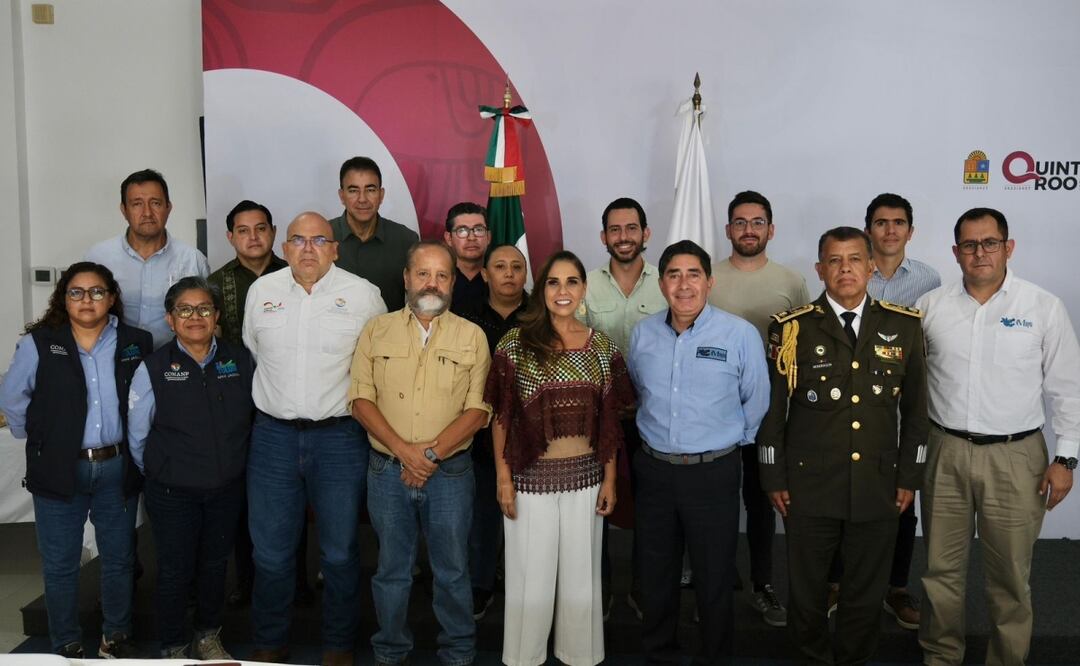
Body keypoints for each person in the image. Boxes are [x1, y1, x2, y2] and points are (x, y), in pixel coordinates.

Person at [756, 226, 928, 665]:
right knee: (808, 595)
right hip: (809, 487)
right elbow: (772, 414)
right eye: (834, 260)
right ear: (819, 269)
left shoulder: (903, 326)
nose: (845, 268)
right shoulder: (791, 330)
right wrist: (773, 475)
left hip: (877, 485)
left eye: (854, 259)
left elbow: (916, 413)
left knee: (865, 596)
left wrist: (909, 476)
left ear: (872, 267)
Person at [917, 207, 1080, 665]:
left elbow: (1068, 389)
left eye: (990, 242)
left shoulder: (1042, 307)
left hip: (1018, 455)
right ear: (955, 252)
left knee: (1009, 575)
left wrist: (1066, 460)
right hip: (944, 450)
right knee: (939, 571)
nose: (980, 252)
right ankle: (940, 656)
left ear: (1009, 247)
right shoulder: (930, 308)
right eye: (969, 244)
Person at [243, 212, 386, 665]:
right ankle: (270, 643)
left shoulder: (363, 295)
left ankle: (338, 646)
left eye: (319, 239)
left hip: (339, 440)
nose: (308, 249)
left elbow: (377, 366)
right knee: (269, 552)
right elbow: (253, 350)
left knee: (341, 552)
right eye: (298, 240)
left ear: (335, 247)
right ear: (284, 248)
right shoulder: (261, 292)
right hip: (272, 439)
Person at [484, 250, 634, 666]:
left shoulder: (601, 347)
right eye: (553, 282)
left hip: (586, 481)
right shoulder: (515, 344)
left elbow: (609, 424)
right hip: (529, 482)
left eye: (572, 282)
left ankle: (579, 657)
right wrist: (503, 477)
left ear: (584, 289)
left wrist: (609, 480)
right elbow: (500, 417)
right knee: (529, 585)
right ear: (541, 290)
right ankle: (524, 659)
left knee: (581, 585)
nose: (563, 291)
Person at [349, 241, 492, 666]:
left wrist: (427, 456)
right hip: (387, 470)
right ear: (407, 278)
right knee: (391, 570)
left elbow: (478, 410)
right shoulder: (376, 331)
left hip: (449, 474)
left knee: (452, 570)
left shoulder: (472, 335)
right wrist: (405, 452)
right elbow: (359, 400)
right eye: (423, 273)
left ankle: (459, 652)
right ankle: (390, 652)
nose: (433, 282)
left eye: (442, 275)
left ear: (452, 283)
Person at [627, 240, 770, 664]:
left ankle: (715, 655)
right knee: (657, 573)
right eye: (673, 274)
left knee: (714, 574)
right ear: (660, 282)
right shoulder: (643, 334)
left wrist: (723, 442)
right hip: (654, 471)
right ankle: (660, 653)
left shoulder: (739, 333)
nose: (683, 284)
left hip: (713, 472)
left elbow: (757, 401)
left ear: (710, 281)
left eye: (693, 274)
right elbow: (639, 389)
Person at [0, 262, 152, 658]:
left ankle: (115, 637)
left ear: (112, 297)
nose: (87, 300)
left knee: (119, 558)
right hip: (59, 468)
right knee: (61, 563)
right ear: (63, 298)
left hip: (117, 467)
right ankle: (65, 644)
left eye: (97, 291)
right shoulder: (40, 343)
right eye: (77, 292)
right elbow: (13, 399)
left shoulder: (136, 341)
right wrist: (42, 440)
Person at [126, 277, 254, 660]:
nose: (194, 317)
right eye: (184, 309)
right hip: (172, 491)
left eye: (203, 309)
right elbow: (137, 435)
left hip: (226, 487)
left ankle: (207, 637)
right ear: (170, 319)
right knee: (175, 570)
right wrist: (162, 469)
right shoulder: (153, 367)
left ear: (216, 317)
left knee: (215, 566)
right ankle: (173, 645)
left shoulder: (240, 359)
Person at [836, 192, 940, 630]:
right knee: (844, 494)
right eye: (881, 223)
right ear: (868, 229)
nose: (890, 230)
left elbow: (931, 346)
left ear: (911, 231)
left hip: (902, 408)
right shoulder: (852, 272)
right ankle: (839, 584)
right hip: (853, 407)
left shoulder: (930, 280)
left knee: (902, 501)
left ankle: (896, 588)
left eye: (899, 223)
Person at [707, 190, 809, 628]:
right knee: (715, 500)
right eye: (740, 222)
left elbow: (803, 349)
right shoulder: (706, 277)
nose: (749, 230)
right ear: (728, 229)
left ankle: (763, 583)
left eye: (757, 222)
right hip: (713, 413)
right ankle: (716, 578)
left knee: (763, 499)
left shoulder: (791, 282)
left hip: (769, 413)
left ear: (771, 228)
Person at [579, 196, 666, 619]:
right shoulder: (586, 284)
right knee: (596, 508)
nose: (624, 237)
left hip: (655, 419)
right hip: (600, 419)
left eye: (632, 228)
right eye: (615, 230)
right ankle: (602, 594)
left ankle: (641, 592)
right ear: (603, 237)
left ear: (646, 234)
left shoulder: (666, 281)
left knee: (650, 512)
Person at [460, 244, 529, 620]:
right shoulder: (466, 318)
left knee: (529, 522)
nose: (508, 273)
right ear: (484, 274)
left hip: (533, 439)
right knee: (482, 519)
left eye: (516, 266)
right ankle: (481, 585)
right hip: (479, 436)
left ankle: (525, 590)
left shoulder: (541, 316)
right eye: (499, 266)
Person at [85, 168, 210, 349]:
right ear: (124, 210)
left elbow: (207, 318)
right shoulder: (98, 258)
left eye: (156, 203)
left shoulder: (192, 259)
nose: (147, 213)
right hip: (112, 360)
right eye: (137, 204)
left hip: (174, 367)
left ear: (168, 208)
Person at [329, 156, 419, 311]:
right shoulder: (322, 237)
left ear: (381, 194)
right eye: (353, 190)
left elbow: (417, 298)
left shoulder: (406, 240)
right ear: (341, 196)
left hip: (389, 333)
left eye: (370, 190)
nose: (362, 199)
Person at [208, 199, 288, 346]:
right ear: (230, 237)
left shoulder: (293, 275)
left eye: (261, 229)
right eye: (243, 231)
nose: (253, 237)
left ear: (274, 232)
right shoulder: (215, 283)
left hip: (286, 366)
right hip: (234, 367)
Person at [444, 201, 492, 314]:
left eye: (479, 229)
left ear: (488, 237)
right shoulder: (438, 281)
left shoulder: (500, 279)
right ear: (449, 238)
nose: (471, 238)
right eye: (462, 231)